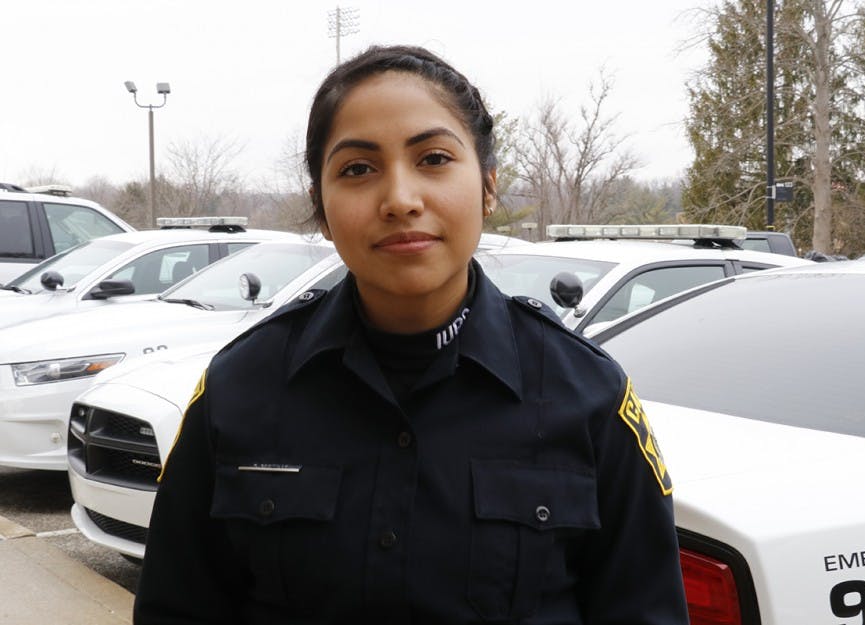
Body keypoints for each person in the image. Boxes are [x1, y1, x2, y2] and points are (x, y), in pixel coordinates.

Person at [133, 44, 689, 625]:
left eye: (434, 158)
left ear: (489, 186)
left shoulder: (589, 396)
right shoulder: (241, 387)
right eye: (357, 169)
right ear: (321, 208)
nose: (400, 200)